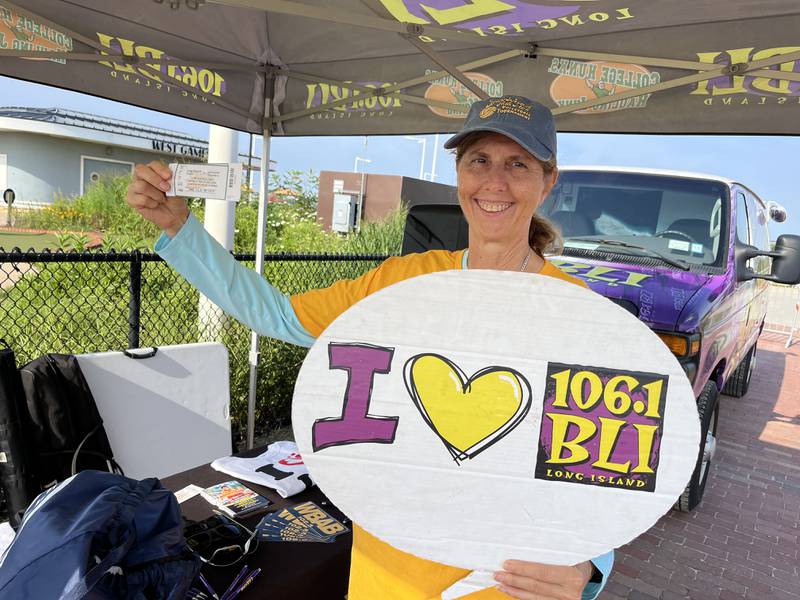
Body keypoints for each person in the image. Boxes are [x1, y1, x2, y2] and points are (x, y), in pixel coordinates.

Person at [126, 95, 613, 600]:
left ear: (548, 181)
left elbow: (612, 467)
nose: (495, 182)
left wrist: (590, 563)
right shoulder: (401, 282)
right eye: (479, 161)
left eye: (518, 164)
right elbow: (273, 313)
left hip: (499, 581)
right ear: (459, 172)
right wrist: (178, 227)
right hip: (385, 570)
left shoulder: (583, 315)